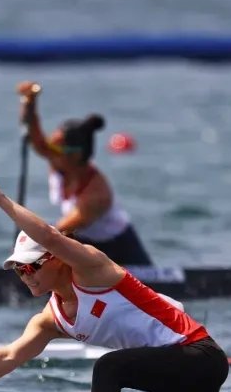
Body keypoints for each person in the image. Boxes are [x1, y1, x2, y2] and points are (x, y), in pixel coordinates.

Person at [0, 172, 230, 392]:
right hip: (178, 370)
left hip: (199, 355)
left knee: (108, 367)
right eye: (18, 269)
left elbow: (50, 237)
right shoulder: (49, 320)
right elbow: (8, 356)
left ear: (57, 258)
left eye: (30, 266)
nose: (25, 275)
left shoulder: (93, 270)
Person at [17, 81, 152, 265]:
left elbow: (61, 231)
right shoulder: (59, 161)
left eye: (54, 148)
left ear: (76, 154)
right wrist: (29, 104)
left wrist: (27, 248)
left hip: (119, 250)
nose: (48, 151)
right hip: (83, 241)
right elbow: (36, 140)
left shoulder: (96, 194)